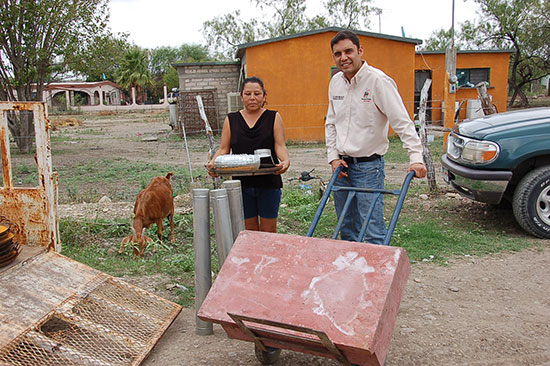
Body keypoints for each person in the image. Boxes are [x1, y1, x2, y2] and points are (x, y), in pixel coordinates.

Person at [325, 30, 427, 244]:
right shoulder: (335, 82)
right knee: (346, 227)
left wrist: (416, 158)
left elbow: (402, 121)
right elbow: (331, 122)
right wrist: (333, 157)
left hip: (368, 168)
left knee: (371, 228)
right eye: (338, 54)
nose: (343, 57)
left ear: (360, 51)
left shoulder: (378, 81)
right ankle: (352, 273)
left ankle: (376, 276)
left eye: (348, 51)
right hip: (342, 168)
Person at [207, 76, 290, 233]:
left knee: (268, 231)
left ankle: (268, 258)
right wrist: (214, 163)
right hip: (241, 185)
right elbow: (224, 149)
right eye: (248, 94)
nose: (252, 98)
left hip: (269, 184)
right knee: (249, 232)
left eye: (257, 94)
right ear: (241, 96)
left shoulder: (273, 117)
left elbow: (280, 145)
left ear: (264, 96)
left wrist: (285, 160)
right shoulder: (231, 119)